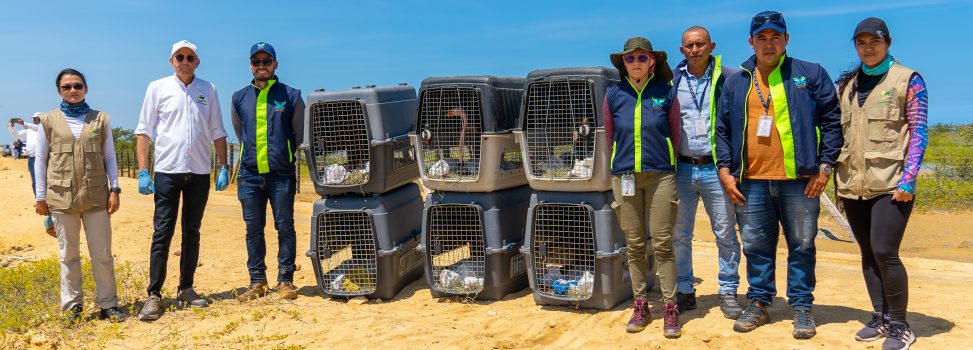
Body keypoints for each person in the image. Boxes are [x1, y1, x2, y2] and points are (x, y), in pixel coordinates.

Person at [715, 11, 842, 339]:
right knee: (755, 245)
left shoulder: (809, 74)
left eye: (775, 37)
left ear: (786, 39)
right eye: (762, 38)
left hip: (800, 182)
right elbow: (723, 130)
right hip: (751, 182)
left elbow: (832, 121)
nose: (768, 43)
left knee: (801, 243)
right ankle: (758, 302)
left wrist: (825, 167)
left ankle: (801, 306)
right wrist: (725, 172)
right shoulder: (736, 81)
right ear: (751, 42)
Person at [835, 17, 926, 350]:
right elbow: (838, 136)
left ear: (887, 42)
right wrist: (836, 185)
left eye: (873, 41)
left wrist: (909, 178)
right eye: (861, 43)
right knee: (868, 253)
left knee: (886, 251)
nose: (867, 48)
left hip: (891, 182)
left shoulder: (908, 80)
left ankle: (901, 325)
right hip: (852, 183)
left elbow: (919, 131)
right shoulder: (845, 86)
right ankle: (881, 317)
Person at [135, 40, 229, 321]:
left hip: (199, 172)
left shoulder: (208, 89)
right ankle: (154, 294)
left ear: (197, 62)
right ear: (171, 60)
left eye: (190, 57)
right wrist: (143, 170)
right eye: (180, 57)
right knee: (162, 232)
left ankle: (186, 287)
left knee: (193, 231)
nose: (185, 61)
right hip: (167, 171)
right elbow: (144, 130)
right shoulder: (157, 88)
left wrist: (223, 166)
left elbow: (217, 129)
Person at [604, 37, 682, 338]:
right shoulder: (613, 95)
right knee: (634, 244)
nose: (635, 63)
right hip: (625, 177)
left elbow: (674, 134)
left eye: (641, 57)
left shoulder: (666, 93)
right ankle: (641, 305)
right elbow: (611, 136)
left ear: (652, 61)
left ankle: (670, 308)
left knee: (662, 243)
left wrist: (664, 158)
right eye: (629, 59)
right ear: (623, 64)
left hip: (661, 175)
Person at [34, 68, 126, 322]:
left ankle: (109, 304)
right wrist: (41, 198)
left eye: (77, 85)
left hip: (96, 196)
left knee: (102, 254)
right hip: (61, 198)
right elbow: (40, 159)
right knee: (68, 255)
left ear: (86, 88)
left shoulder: (100, 119)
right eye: (67, 87)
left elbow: (109, 156)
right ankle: (73, 306)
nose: (73, 91)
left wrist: (115, 189)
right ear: (59, 91)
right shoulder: (48, 120)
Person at [670, 26, 743, 319]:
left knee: (725, 233)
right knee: (679, 235)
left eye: (701, 44)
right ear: (681, 50)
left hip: (716, 168)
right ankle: (685, 291)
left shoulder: (730, 78)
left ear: (711, 45)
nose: (695, 50)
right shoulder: (671, 81)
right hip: (683, 169)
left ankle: (727, 292)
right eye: (689, 45)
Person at [230, 42, 306, 302]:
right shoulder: (239, 97)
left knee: (285, 226)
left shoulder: (291, 95)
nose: (261, 66)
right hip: (249, 175)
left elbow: (299, 134)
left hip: (281, 175)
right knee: (253, 229)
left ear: (275, 64)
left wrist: (282, 155)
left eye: (266, 61)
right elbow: (241, 133)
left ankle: (285, 280)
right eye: (256, 62)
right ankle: (257, 281)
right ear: (250, 65)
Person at [9, 113, 55, 235]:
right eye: (34, 119)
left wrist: (23, 123)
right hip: (32, 158)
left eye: (36, 118)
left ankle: (50, 203)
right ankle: (40, 200)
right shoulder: (28, 130)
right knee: (36, 181)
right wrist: (11, 127)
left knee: (47, 180)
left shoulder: (43, 128)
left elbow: (38, 128)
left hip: (45, 158)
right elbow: (17, 135)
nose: (35, 120)